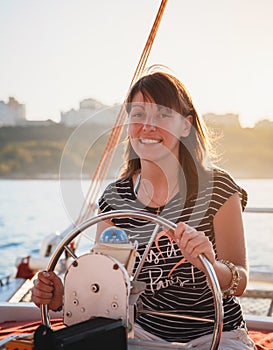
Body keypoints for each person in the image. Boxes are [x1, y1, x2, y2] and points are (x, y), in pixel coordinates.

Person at [31, 69, 256, 349]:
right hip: (142, 337)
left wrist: (208, 263)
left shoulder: (217, 187)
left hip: (217, 335)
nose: (148, 125)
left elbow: (240, 282)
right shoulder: (114, 200)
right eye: (138, 114)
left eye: (162, 115)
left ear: (185, 126)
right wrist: (61, 297)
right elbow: (107, 287)